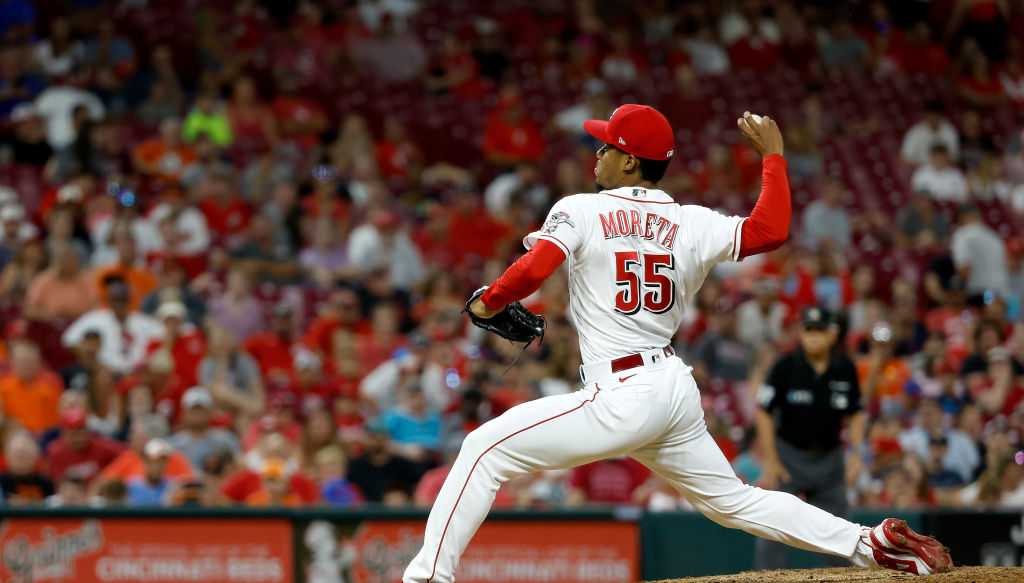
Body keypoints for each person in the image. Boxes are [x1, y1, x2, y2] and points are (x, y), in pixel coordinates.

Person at [404, 108, 951, 582]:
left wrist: (488, 303)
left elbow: (535, 268)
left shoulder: (582, 208)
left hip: (622, 391)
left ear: (629, 162)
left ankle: (427, 577)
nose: (596, 152)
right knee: (735, 502)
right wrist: (774, 158)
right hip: (670, 387)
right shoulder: (690, 221)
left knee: (482, 449)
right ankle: (868, 542)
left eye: (608, 145)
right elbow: (770, 230)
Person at [754, 307, 867, 569]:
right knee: (774, 525)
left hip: (829, 458)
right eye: (808, 330)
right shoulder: (785, 366)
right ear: (800, 333)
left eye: (819, 331)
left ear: (831, 334)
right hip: (789, 456)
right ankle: (765, 578)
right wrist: (771, 460)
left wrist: (856, 454)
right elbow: (763, 412)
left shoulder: (844, 368)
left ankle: (843, 579)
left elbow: (857, 414)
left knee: (839, 530)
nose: (813, 337)